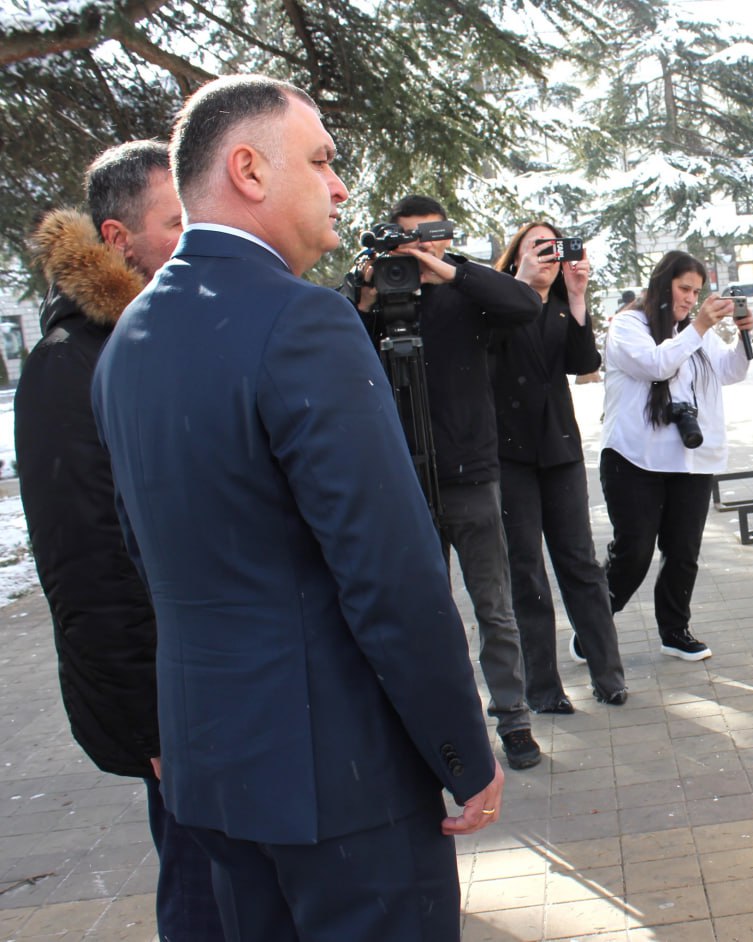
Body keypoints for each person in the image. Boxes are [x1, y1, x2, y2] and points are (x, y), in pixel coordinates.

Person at [91, 75, 502, 942]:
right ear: (247, 169)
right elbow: (390, 573)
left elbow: (141, 555)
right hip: (339, 787)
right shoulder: (302, 323)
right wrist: (463, 751)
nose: (341, 186)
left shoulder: (127, 341)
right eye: (320, 160)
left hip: (214, 774)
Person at [16, 141, 224, 942]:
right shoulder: (69, 367)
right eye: (177, 222)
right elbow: (88, 568)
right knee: (204, 894)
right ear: (116, 239)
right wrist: (151, 731)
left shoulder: (180, 335)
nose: (197, 236)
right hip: (174, 711)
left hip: (227, 685)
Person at [345, 195, 544, 769]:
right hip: (403, 482)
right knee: (425, 616)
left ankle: (514, 722)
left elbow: (522, 304)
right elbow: (335, 343)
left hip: (471, 476)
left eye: (427, 237)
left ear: (444, 237)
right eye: (404, 240)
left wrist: (446, 269)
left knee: (494, 609)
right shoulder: (379, 297)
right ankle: (444, 730)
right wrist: (364, 290)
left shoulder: (467, 292)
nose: (416, 249)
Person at [491, 222, 626, 713]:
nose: (548, 256)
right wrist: (521, 285)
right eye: (537, 248)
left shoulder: (559, 306)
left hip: (560, 450)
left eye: (554, 248)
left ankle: (608, 675)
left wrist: (576, 294)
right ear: (516, 256)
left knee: (581, 565)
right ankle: (543, 689)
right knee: (526, 571)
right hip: (510, 456)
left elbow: (583, 360)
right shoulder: (497, 302)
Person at [600, 250, 753, 662]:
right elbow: (656, 365)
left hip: (690, 460)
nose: (690, 298)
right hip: (635, 459)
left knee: (683, 552)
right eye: (684, 288)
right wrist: (700, 326)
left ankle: (675, 631)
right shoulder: (629, 325)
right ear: (662, 283)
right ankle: (593, 624)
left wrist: (742, 335)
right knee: (633, 553)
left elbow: (729, 372)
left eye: (697, 291)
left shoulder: (694, 333)